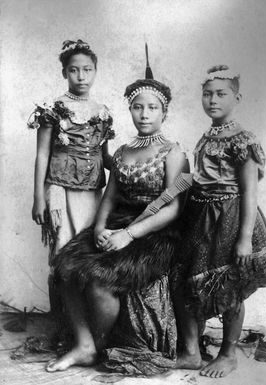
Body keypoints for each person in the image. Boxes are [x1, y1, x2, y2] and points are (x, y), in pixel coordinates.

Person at [45, 45, 189, 375]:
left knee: (99, 281)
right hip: (119, 221)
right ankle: (83, 344)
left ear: (163, 113)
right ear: (130, 111)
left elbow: (172, 209)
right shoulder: (123, 151)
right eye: (138, 107)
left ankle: (100, 342)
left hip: (155, 232)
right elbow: (109, 197)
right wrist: (99, 229)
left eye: (152, 108)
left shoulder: (172, 152)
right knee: (65, 265)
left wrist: (127, 235)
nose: (144, 114)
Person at [173, 65, 266, 378]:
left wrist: (245, 238)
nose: (213, 100)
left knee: (230, 286)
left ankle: (228, 354)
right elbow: (200, 178)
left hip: (232, 218)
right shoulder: (207, 136)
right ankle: (192, 352)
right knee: (190, 282)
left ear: (237, 97)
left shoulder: (243, 140)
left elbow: (249, 192)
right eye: (207, 94)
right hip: (201, 217)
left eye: (221, 94)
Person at [28, 39, 114, 315]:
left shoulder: (102, 112)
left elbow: (106, 157)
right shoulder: (53, 111)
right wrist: (38, 197)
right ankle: (64, 326)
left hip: (91, 192)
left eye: (87, 70)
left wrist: (137, 160)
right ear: (65, 72)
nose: (81, 76)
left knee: (88, 253)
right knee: (63, 253)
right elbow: (42, 155)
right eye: (74, 70)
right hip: (60, 190)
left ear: (95, 71)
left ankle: (86, 326)